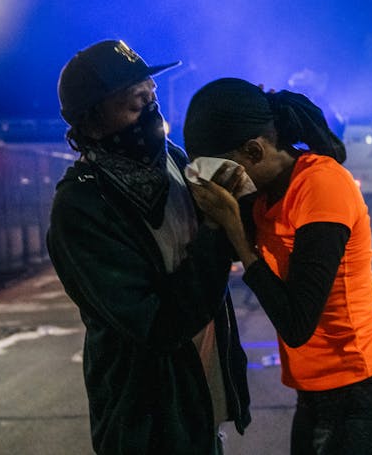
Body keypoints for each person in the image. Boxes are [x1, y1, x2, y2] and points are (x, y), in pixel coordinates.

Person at [183, 77, 372, 455]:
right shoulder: (262, 198)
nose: (215, 181)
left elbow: (297, 323)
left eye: (220, 170)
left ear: (254, 150)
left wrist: (238, 234)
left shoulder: (321, 184)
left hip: (364, 396)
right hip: (314, 396)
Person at [46, 41, 251, 455]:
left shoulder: (172, 161)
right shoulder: (82, 207)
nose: (152, 112)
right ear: (93, 123)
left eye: (151, 96)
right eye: (135, 104)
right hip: (147, 426)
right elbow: (157, 325)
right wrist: (216, 232)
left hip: (199, 413)